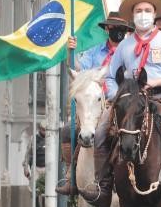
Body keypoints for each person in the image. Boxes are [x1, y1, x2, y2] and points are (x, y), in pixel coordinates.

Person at [84, 0, 161, 207]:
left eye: (147, 11)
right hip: (130, 102)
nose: (143, 14)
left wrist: (159, 80)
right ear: (132, 16)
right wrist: (116, 95)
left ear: (154, 14)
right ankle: (103, 185)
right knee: (102, 130)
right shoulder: (124, 46)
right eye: (139, 11)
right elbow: (111, 76)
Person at [55, 12, 132, 196]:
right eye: (114, 28)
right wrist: (69, 51)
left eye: (122, 29)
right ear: (107, 29)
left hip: (120, 104)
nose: (118, 32)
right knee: (67, 131)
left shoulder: (131, 52)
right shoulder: (95, 51)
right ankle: (71, 175)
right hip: (92, 106)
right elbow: (79, 70)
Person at [23, 120, 46, 207]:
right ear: (40, 129)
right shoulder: (34, 139)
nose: (44, 131)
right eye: (43, 129)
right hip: (36, 167)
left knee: (46, 191)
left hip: (47, 169)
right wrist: (26, 168)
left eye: (46, 130)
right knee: (34, 191)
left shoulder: (51, 138)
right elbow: (28, 153)